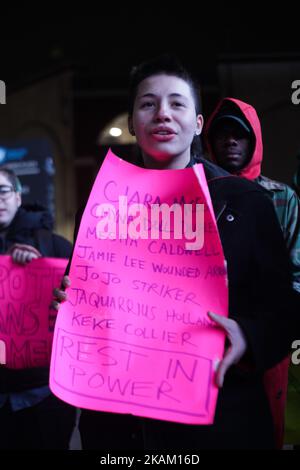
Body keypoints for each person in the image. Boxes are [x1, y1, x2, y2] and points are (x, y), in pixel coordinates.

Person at [53, 55, 300, 450]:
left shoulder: (244, 201)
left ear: (198, 124)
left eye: (177, 103)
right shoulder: (104, 206)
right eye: (148, 104)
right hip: (121, 427)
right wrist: (68, 302)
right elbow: (77, 293)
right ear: (133, 122)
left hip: (219, 421)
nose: (162, 114)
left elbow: (285, 310)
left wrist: (249, 335)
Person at [204, 97, 300, 448]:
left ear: (255, 141)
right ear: (209, 142)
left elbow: (297, 275)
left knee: (267, 426)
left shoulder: (282, 198)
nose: (230, 141)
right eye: (223, 134)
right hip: (203, 335)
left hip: (265, 336)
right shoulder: (195, 195)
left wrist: (265, 328)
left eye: (240, 134)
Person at [0, 168, 76, 449]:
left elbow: (85, 299)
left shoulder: (52, 244)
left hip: (44, 395)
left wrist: (42, 271)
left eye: (3, 191)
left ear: (18, 197)